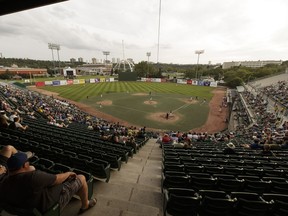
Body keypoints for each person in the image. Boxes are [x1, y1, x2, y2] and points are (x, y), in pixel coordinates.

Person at [0, 152, 97, 214]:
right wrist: (68, 173)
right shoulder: (33, 177)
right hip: (50, 206)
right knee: (81, 178)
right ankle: (85, 205)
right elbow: (58, 179)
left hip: (29, 208)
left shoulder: (4, 181)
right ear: (25, 165)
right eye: (27, 162)